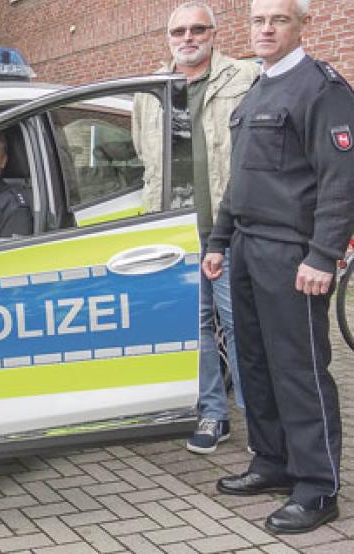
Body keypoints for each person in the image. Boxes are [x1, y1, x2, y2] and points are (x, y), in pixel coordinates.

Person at [203, 0, 354, 534]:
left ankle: (317, 488)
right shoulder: (256, 90)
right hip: (246, 248)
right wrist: (220, 240)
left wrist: (324, 254)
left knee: (298, 369)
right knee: (257, 364)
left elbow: (341, 179)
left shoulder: (323, 88)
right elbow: (238, 181)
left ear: (301, 25)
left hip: (292, 255)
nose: (265, 29)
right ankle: (273, 461)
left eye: (279, 20)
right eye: (257, 21)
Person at [132, 1, 260, 455]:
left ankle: (260, 422)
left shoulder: (244, 80)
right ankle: (213, 413)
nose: (187, 38)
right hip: (174, 234)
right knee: (195, 328)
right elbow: (146, 159)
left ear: (213, 35)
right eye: (178, 31)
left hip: (229, 229)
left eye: (197, 30)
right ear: (168, 38)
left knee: (240, 323)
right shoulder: (150, 92)